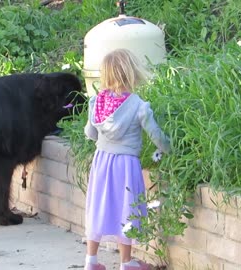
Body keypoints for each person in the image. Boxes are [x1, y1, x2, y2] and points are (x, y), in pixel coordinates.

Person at [83, 48, 171, 270]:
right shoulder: (139, 106)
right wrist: (171, 149)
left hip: (102, 161)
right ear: (132, 73)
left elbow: (91, 134)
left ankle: (91, 260)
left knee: (98, 206)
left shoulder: (97, 102)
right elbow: (156, 135)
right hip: (126, 164)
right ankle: (126, 262)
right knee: (127, 209)